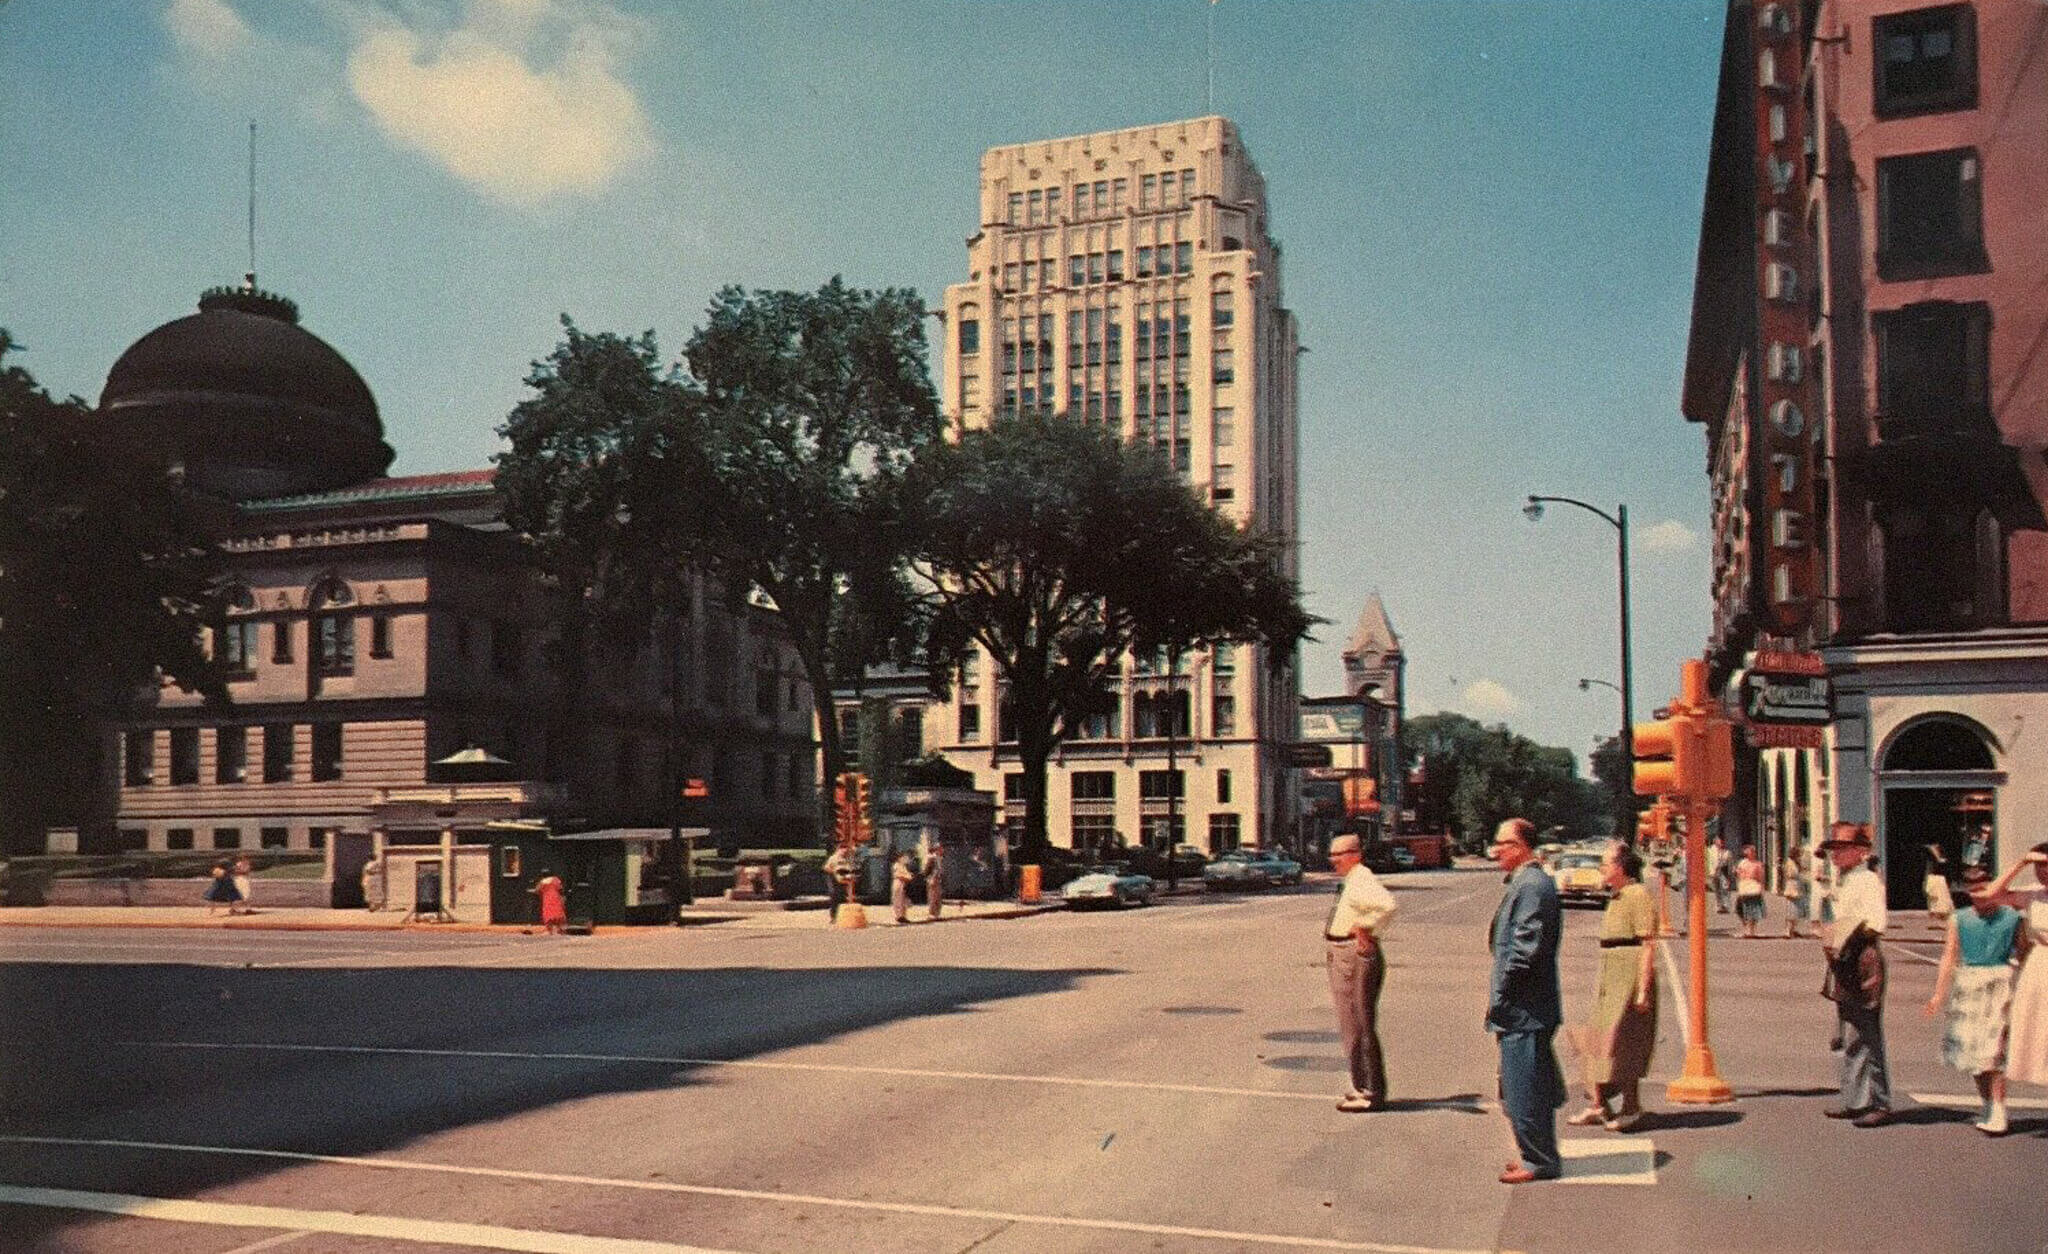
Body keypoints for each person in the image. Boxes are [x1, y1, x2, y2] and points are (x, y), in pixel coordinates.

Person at [1487, 817, 1565, 1184]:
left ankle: (1539, 1160)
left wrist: (1502, 993)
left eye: (1503, 844)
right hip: (1527, 1005)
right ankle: (1537, 1154)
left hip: (1524, 1007)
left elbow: (1524, 949)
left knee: (1524, 1088)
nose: (1496, 850)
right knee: (1529, 1083)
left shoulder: (1532, 885)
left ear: (1521, 847)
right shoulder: (1529, 882)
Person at [1923, 865, 2028, 1135]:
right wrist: (1938, 993)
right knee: (1973, 1052)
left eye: (1984, 888)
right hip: (1969, 983)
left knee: (1994, 1051)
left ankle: (1999, 1108)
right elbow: (1949, 956)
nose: (1979, 895)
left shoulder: (2011, 917)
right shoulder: (1959, 919)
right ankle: (1987, 1104)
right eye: (1973, 890)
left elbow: (2025, 952)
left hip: (1999, 981)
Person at [1568, 840, 1657, 1132]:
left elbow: (1647, 945)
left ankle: (1631, 1107)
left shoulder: (1637, 894)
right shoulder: (1617, 896)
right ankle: (1598, 1104)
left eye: (1605, 864)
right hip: (1609, 973)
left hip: (1628, 976)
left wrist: (1642, 989)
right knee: (1595, 1041)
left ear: (1620, 867)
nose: (1601, 869)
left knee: (1625, 1044)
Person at [1820, 822, 1892, 1127]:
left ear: (1860, 852)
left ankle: (1878, 1102)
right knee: (1850, 1032)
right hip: (1845, 958)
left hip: (1861, 955)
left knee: (1866, 1032)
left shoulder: (1866, 880)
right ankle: (1855, 1099)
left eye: (1841, 849)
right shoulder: (1846, 880)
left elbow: (1875, 921)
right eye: (1833, 849)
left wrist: (1847, 936)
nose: (1835, 854)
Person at [1323, 833, 1397, 1112]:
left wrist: (1365, 926)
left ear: (1355, 854)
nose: (1333, 861)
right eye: (1332, 855)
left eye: (1338, 855)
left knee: (1359, 1023)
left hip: (1353, 954)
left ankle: (1370, 1090)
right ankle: (1362, 1086)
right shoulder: (1354, 880)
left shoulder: (1362, 878)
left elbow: (1388, 906)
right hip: (1343, 953)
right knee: (1350, 1023)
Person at [1985, 845, 2048, 1093]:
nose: (2042, 873)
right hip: (2039, 964)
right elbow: (1990, 895)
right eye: (2038, 867)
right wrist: (2020, 863)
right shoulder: (2033, 895)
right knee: (2037, 1030)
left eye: (2047, 866)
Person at [1735, 844, 1766, 939]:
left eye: (1752, 852)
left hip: (1753, 888)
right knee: (1740, 909)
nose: (1750, 854)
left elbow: (1761, 877)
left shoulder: (1758, 864)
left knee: (1753, 909)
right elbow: (1738, 875)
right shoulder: (1742, 863)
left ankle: (1751, 931)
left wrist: (1761, 887)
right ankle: (1746, 929)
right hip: (1744, 887)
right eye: (1748, 852)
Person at [1923, 844, 1955, 926]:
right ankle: (1938, 921)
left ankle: (1941, 920)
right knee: (1936, 901)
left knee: (1939, 902)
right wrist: (1938, 858)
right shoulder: (1930, 852)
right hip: (1934, 878)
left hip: (1936, 877)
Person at [1781, 849, 1809, 939]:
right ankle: (1787, 930)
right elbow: (1790, 874)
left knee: (1797, 910)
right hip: (1792, 887)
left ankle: (1792, 929)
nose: (1800, 857)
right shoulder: (1789, 863)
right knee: (1791, 910)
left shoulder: (1797, 863)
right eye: (1798, 855)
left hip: (1798, 887)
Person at [822, 846, 854, 923]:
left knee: (842, 896)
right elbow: (834, 872)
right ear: (838, 850)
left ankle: (843, 916)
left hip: (841, 876)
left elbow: (848, 870)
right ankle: (834, 917)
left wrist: (848, 877)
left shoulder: (847, 859)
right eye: (843, 850)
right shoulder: (834, 858)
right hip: (832, 876)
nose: (845, 852)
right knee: (834, 895)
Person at [891, 852, 916, 925]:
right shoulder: (896, 865)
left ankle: (903, 915)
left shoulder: (903, 866)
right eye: (904, 858)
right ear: (899, 858)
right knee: (898, 900)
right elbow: (897, 875)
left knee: (903, 901)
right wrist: (907, 877)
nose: (906, 859)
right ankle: (899, 916)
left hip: (903, 884)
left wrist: (909, 876)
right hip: (898, 883)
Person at [1708, 839, 1731, 914]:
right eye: (1719, 842)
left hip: (1723, 872)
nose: (1720, 843)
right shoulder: (1711, 851)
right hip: (1713, 873)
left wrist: (1729, 875)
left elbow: (1729, 863)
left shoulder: (1726, 852)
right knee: (1717, 890)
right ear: (1715, 843)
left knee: (1725, 889)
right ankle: (1718, 906)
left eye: (1721, 842)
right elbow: (1709, 862)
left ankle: (1725, 905)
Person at [925, 845, 946, 920]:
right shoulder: (932, 858)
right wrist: (930, 878)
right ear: (937, 850)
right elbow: (927, 870)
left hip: (938, 879)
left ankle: (937, 914)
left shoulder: (940, 858)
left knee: (938, 897)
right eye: (941, 849)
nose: (942, 850)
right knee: (932, 897)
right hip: (932, 880)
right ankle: (932, 913)